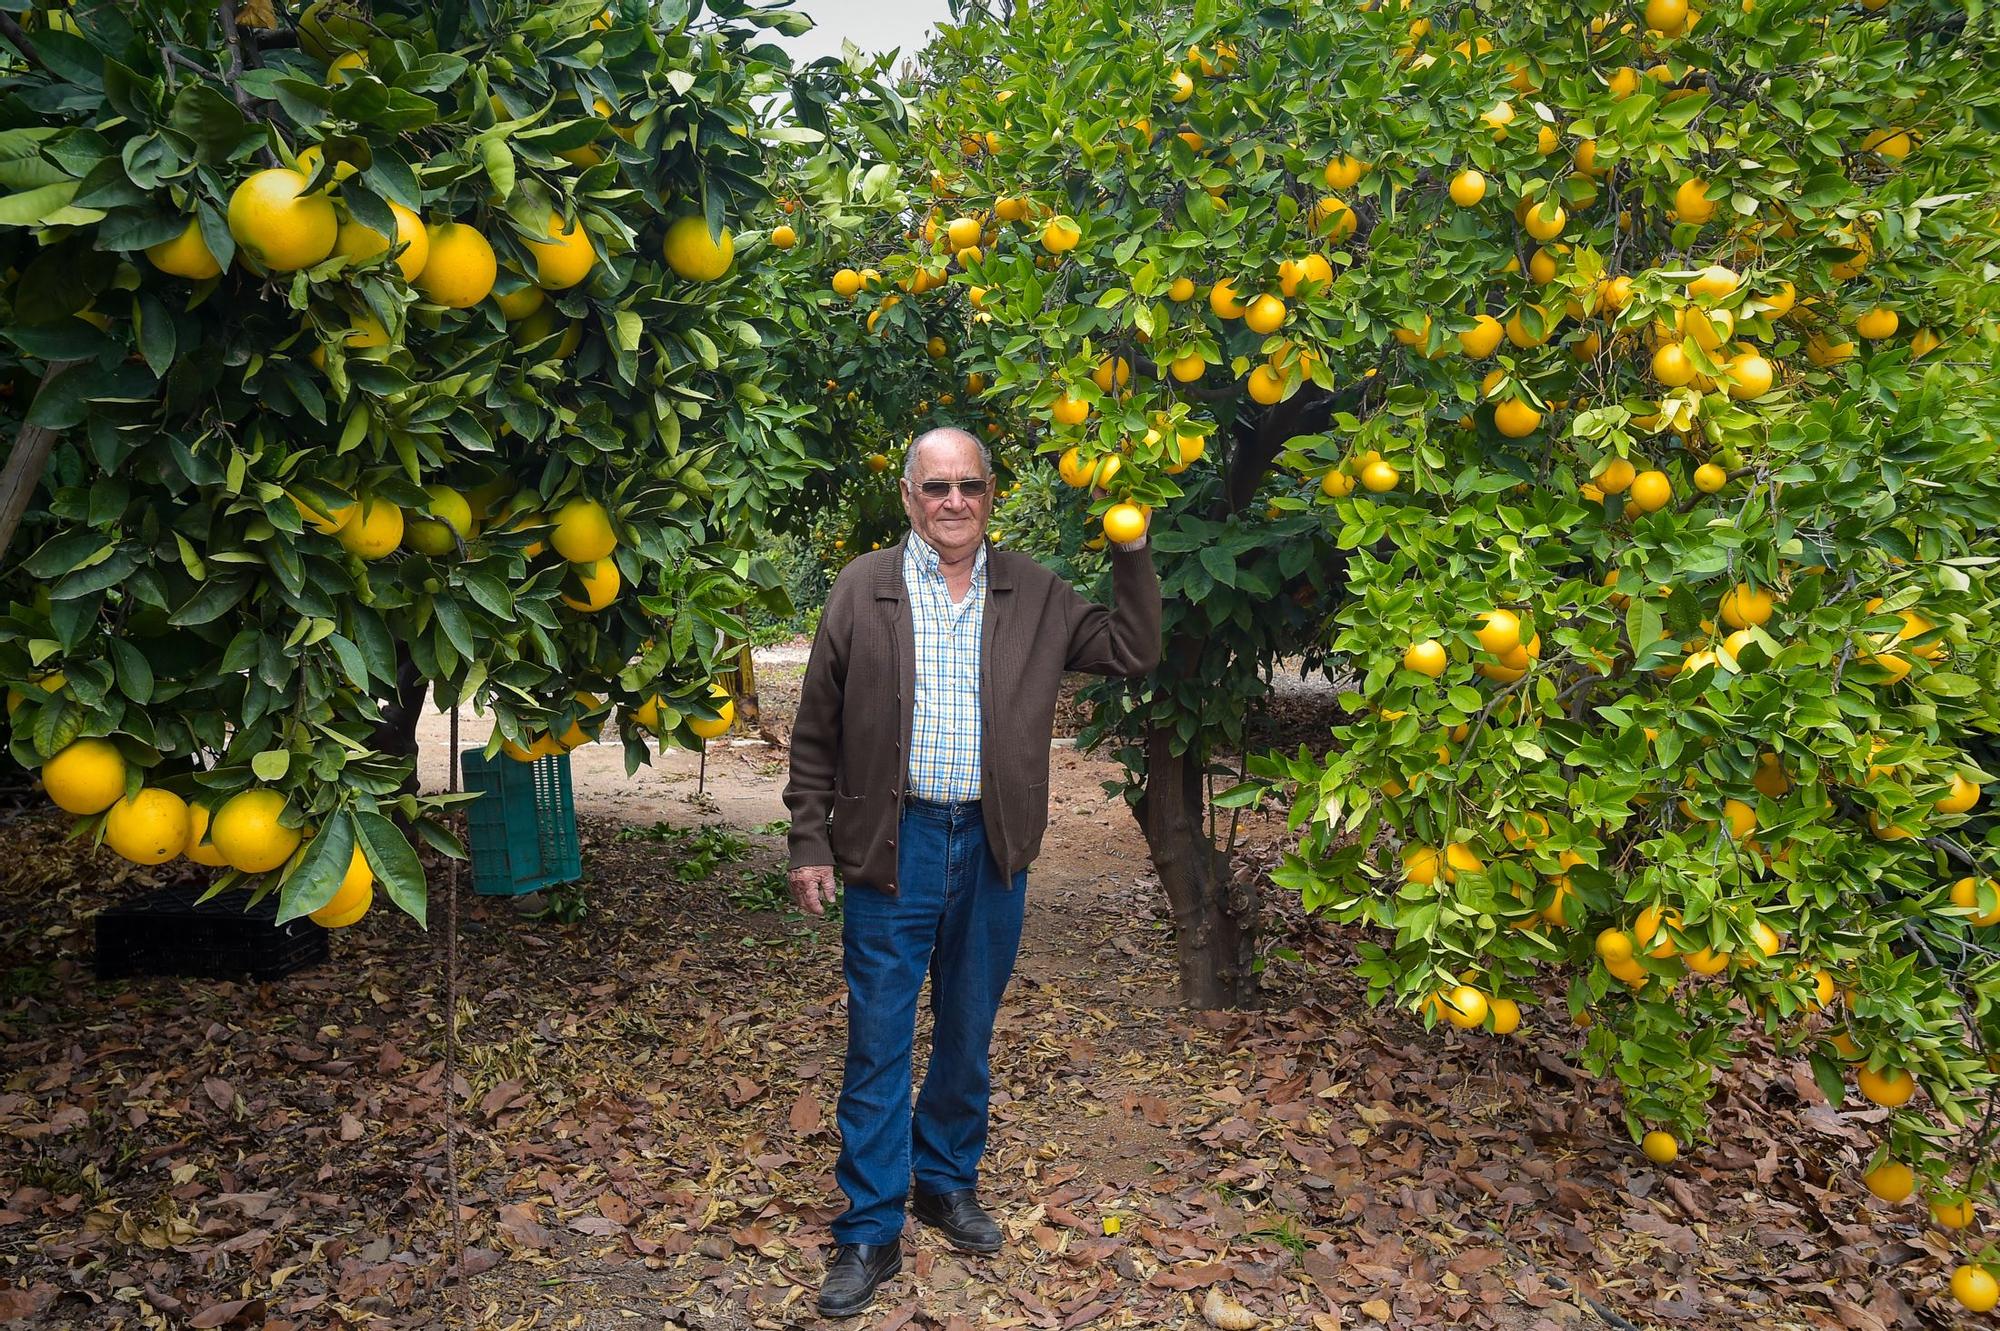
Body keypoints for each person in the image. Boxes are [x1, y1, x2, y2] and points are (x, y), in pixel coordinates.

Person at [784, 427, 1161, 1318]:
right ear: (908, 496)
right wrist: (809, 842)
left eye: (971, 487)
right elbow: (815, 732)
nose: (954, 503)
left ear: (992, 494)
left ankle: (944, 1178)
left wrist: (1132, 546)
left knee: (966, 1028)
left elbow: (1135, 650)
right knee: (878, 1039)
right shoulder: (861, 588)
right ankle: (871, 1224)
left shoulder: (1031, 589)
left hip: (992, 847)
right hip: (890, 847)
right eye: (936, 487)